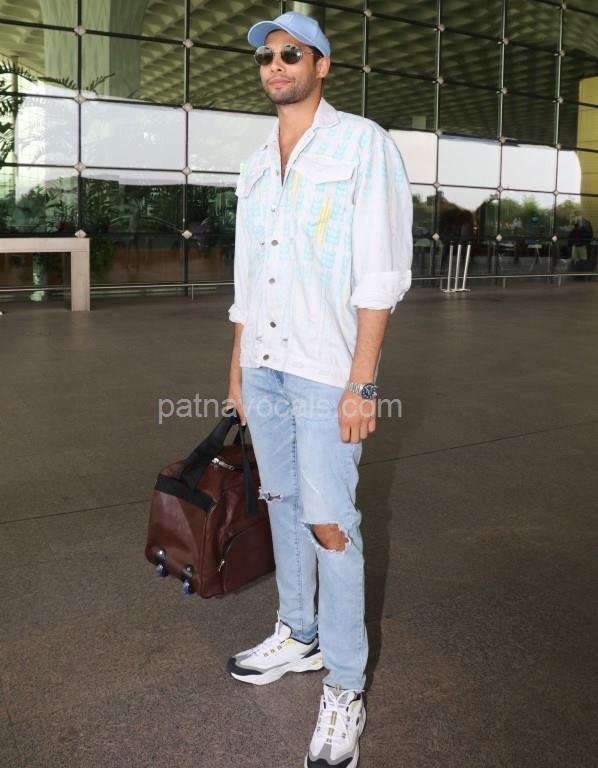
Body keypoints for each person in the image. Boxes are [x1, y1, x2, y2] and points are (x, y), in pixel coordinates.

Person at [225, 11, 412, 768]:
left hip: (327, 368)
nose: (276, 64)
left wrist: (362, 382)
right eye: (267, 56)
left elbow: (381, 273)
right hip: (264, 362)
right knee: (282, 502)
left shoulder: (363, 145)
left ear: (322, 64)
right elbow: (247, 279)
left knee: (331, 523)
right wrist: (237, 370)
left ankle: (344, 686)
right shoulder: (254, 163)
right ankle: (297, 633)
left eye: (291, 53)